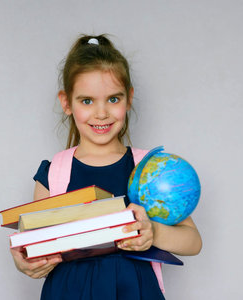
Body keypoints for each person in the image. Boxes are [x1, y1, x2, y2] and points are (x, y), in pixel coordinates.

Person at [10, 34, 202, 300]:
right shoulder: (52, 173)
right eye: (87, 101)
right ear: (67, 103)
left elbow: (193, 242)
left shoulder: (151, 169)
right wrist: (25, 261)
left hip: (135, 292)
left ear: (129, 98)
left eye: (113, 99)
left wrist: (153, 232)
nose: (101, 113)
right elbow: (33, 247)